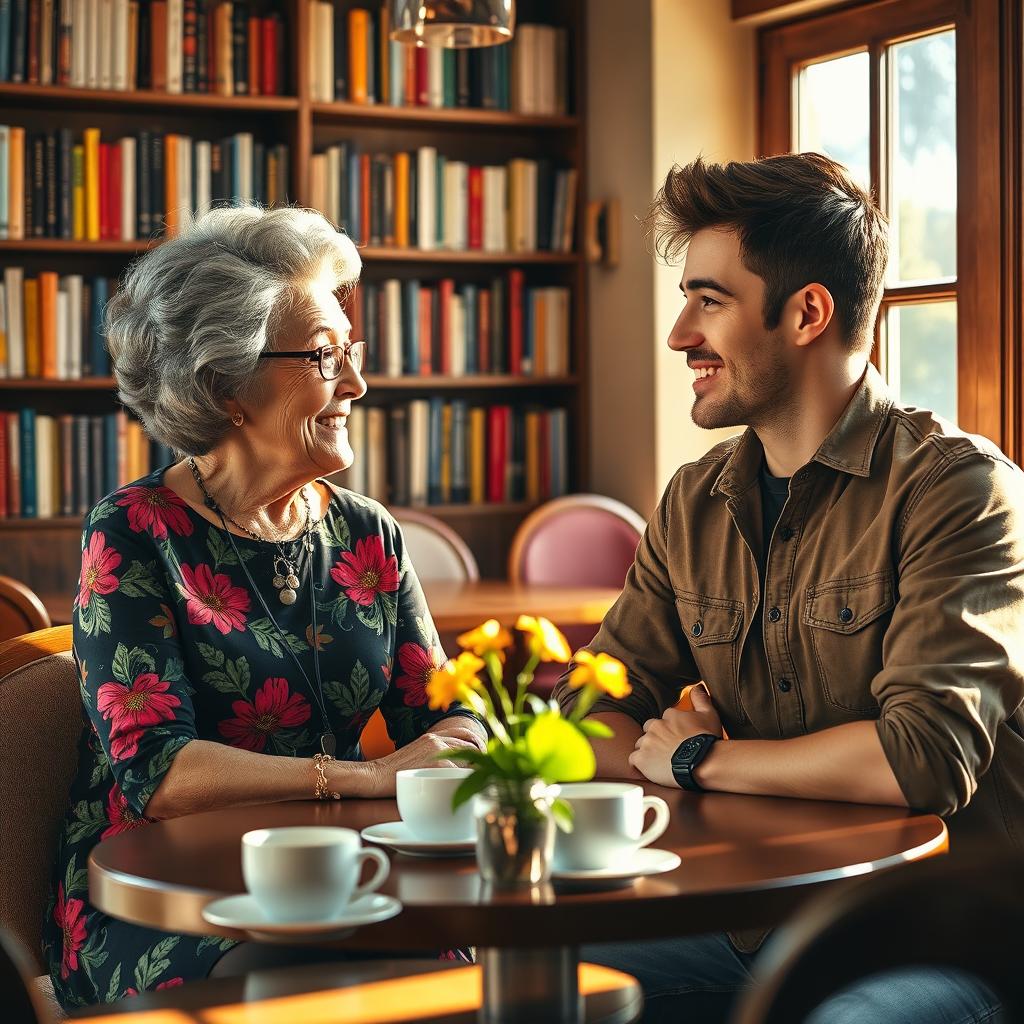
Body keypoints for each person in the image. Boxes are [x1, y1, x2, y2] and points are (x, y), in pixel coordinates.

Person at [554, 152, 1024, 1023]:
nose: (678, 335)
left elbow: (921, 760)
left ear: (808, 312)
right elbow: (588, 711)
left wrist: (699, 759)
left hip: (945, 938)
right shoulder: (694, 501)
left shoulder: (959, 489)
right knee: (529, 979)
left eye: (709, 300)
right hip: (749, 918)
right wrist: (666, 749)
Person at [42, 205, 485, 1011]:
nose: (355, 383)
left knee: (476, 977)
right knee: (332, 990)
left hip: (342, 878)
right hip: (168, 893)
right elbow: (160, 773)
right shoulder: (135, 531)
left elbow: (448, 716)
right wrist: (370, 777)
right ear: (224, 384)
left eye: (350, 353)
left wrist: (462, 740)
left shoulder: (366, 533)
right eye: (324, 356)